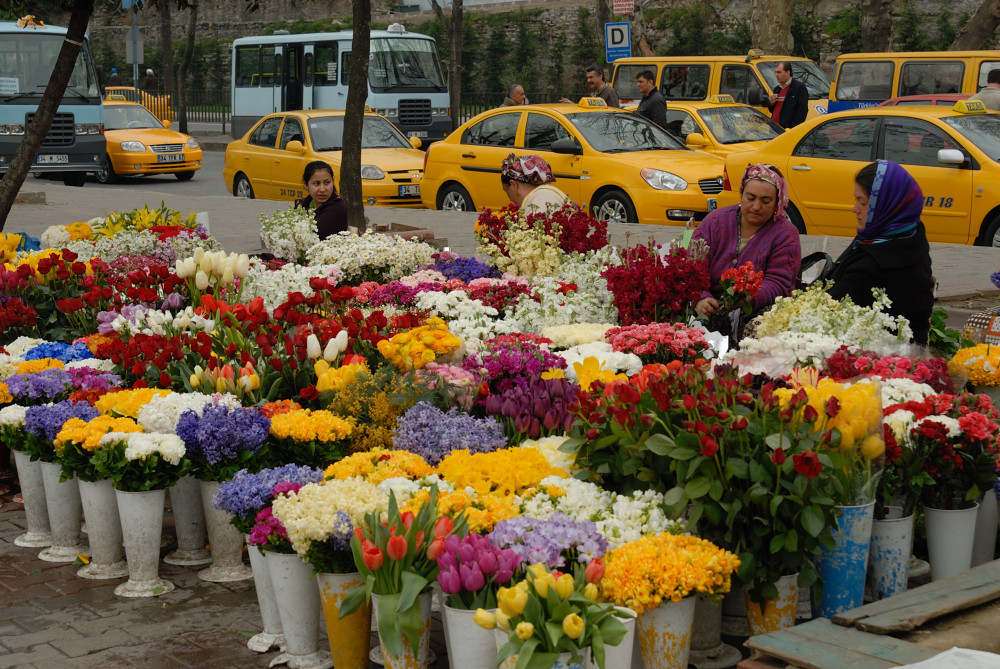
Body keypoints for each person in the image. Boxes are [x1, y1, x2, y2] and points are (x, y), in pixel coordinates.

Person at [827, 160, 934, 344]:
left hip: (882, 360)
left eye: (862, 202)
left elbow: (829, 312)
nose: (855, 209)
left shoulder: (873, 264)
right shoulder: (908, 233)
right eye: (856, 200)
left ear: (886, 204)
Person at [693, 163, 801, 319]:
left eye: (766, 201)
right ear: (741, 195)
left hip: (755, 312)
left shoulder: (786, 234)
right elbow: (694, 267)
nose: (756, 207)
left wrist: (748, 298)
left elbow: (779, 283)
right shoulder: (714, 222)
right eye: (750, 198)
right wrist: (701, 299)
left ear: (777, 202)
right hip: (706, 308)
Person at [294, 160, 349, 240]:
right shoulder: (305, 204)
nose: (322, 189)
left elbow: (307, 237)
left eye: (327, 182)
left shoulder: (337, 208)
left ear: (333, 182)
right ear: (306, 185)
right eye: (316, 183)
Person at [500, 153, 569, 216]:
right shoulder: (545, 195)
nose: (510, 199)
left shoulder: (540, 203)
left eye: (506, 190)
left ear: (513, 185)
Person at [768, 61, 808, 129]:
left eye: (779, 72)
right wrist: (771, 103)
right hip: (774, 129)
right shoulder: (777, 89)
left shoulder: (799, 88)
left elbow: (802, 111)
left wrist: (792, 128)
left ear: (788, 72)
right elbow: (773, 110)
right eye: (776, 72)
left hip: (788, 131)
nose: (776, 75)